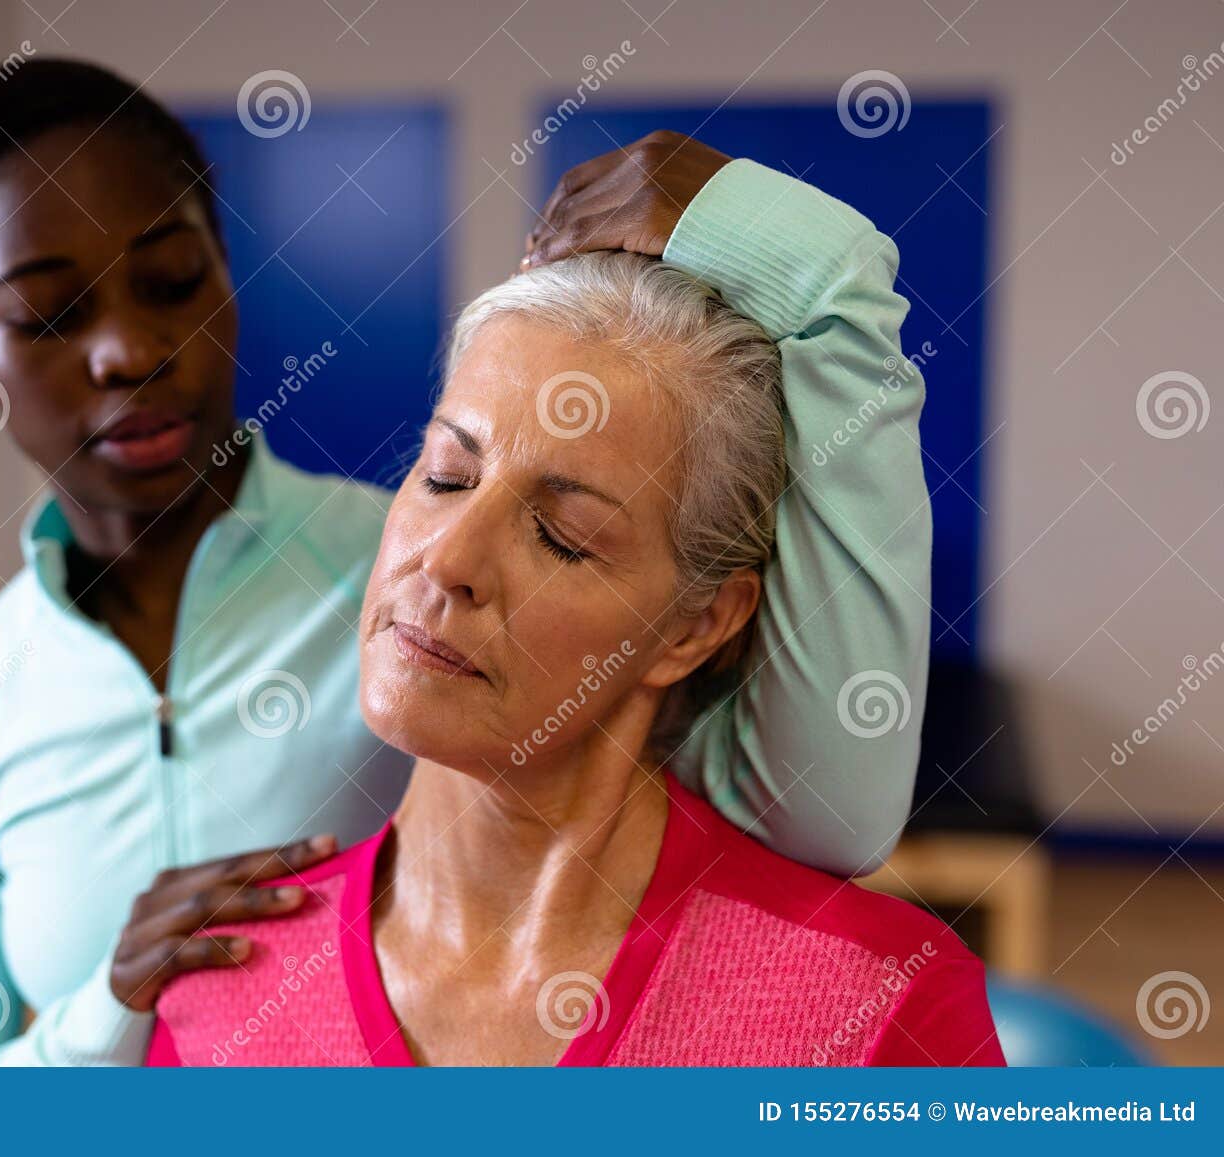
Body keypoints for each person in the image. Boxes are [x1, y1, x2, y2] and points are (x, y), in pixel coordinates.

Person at [0, 58, 933, 1066]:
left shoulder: (423, 582)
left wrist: (809, 263)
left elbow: (821, 803)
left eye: (171, 277)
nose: (127, 351)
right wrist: (111, 1006)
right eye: (47, 312)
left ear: (227, 269)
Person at [148, 244, 1000, 1067]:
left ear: (694, 627)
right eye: (447, 475)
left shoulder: (873, 1008)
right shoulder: (222, 989)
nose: (446, 561)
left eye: (561, 537)